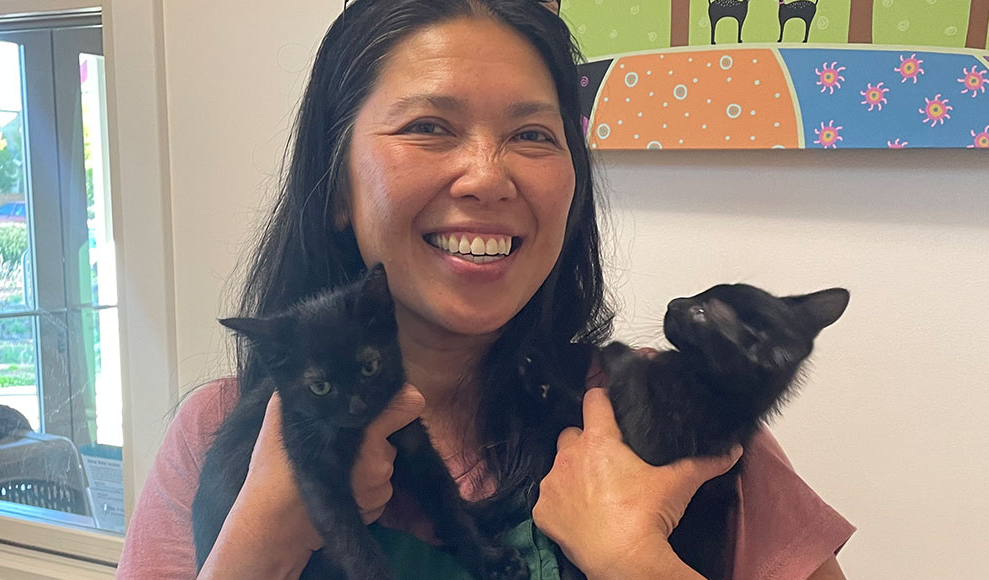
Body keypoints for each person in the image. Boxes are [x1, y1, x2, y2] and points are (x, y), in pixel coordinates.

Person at [116, 1, 854, 579]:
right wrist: (257, 546)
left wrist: (637, 564)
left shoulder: (688, 412)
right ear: (336, 187)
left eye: (533, 136)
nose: (488, 176)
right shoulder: (218, 435)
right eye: (430, 126)